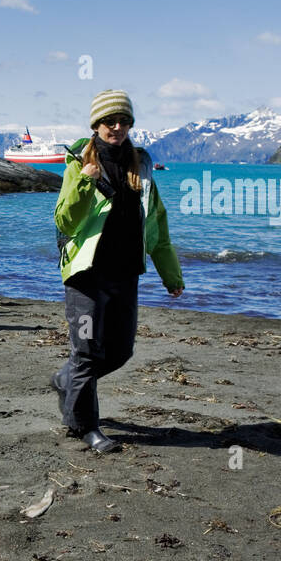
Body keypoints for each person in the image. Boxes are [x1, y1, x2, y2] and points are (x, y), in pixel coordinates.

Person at [52, 90, 184, 454]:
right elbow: (65, 219)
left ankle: (66, 380)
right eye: (110, 121)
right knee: (87, 351)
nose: (117, 127)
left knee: (121, 350)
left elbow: (157, 223)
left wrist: (171, 275)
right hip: (86, 277)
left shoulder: (140, 165)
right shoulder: (79, 163)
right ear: (96, 124)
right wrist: (85, 181)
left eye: (124, 121)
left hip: (125, 274)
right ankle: (86, 428)